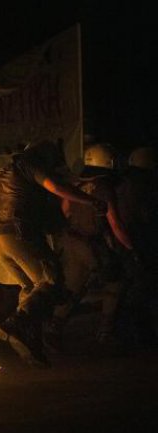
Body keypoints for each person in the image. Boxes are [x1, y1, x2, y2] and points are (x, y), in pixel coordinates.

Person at [0, 140, 107, 367]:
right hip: (18, 232)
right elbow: (56, 187)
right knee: (51, 280)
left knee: (33, 289)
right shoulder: (28, 163)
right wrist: (91, 201)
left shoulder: (3, 173)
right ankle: (16, 323)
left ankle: (30, 345)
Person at [44, 144, 134, 350]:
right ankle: (105, 332)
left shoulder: (74, 184)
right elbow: (115, 224)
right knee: (115, 281)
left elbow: (65, 212)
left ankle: (53, 331)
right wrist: (131, 249)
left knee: (73, 286)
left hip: (70, 241)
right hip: (89, 242)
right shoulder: (104, 187)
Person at [115, 146, 158, 346]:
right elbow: (144, 215)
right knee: (142, 285)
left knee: (134, 284)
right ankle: (136, 332)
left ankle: (128, 331)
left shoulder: (124, 183)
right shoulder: (140, 186)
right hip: (136, 239)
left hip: (126, 239)